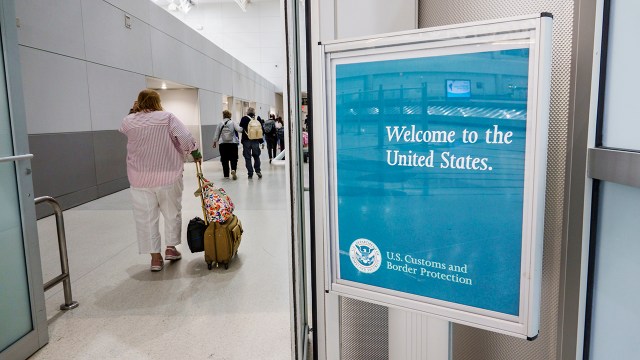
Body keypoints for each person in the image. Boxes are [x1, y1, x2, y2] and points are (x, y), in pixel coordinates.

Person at [119, 89, 201, 272]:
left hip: (139, 178)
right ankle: (171, 248)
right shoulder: (167, 118)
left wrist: (135, 111)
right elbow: (185, 138)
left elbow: (125, 128)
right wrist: (194, 152)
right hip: (168, 176)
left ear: (138, 101)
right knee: (172, 212)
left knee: (146, 219)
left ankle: (155, 259)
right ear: (158, 101)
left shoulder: (128, 121)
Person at [213, 110, 242, 180]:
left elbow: (216, 134)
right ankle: (233, 170)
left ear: (223, 115)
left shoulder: (220, 123)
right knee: (234, 158)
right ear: (230, 116)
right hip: (233, 143)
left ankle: (226, 175)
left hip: (222, 144)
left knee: (224, 159)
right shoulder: (233, 122)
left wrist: (214, 142)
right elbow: (239, 130)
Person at [239, 107, 263, 179]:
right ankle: (258, 170)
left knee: (247, 157)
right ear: (254, 112)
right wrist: (261, 141)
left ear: (247, 112)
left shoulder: (244, 118)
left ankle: (250, 173)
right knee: (256, 156)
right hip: (255, 140)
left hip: (246, 141)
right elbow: (261, 129)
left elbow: (241, 128)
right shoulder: (258, 118)